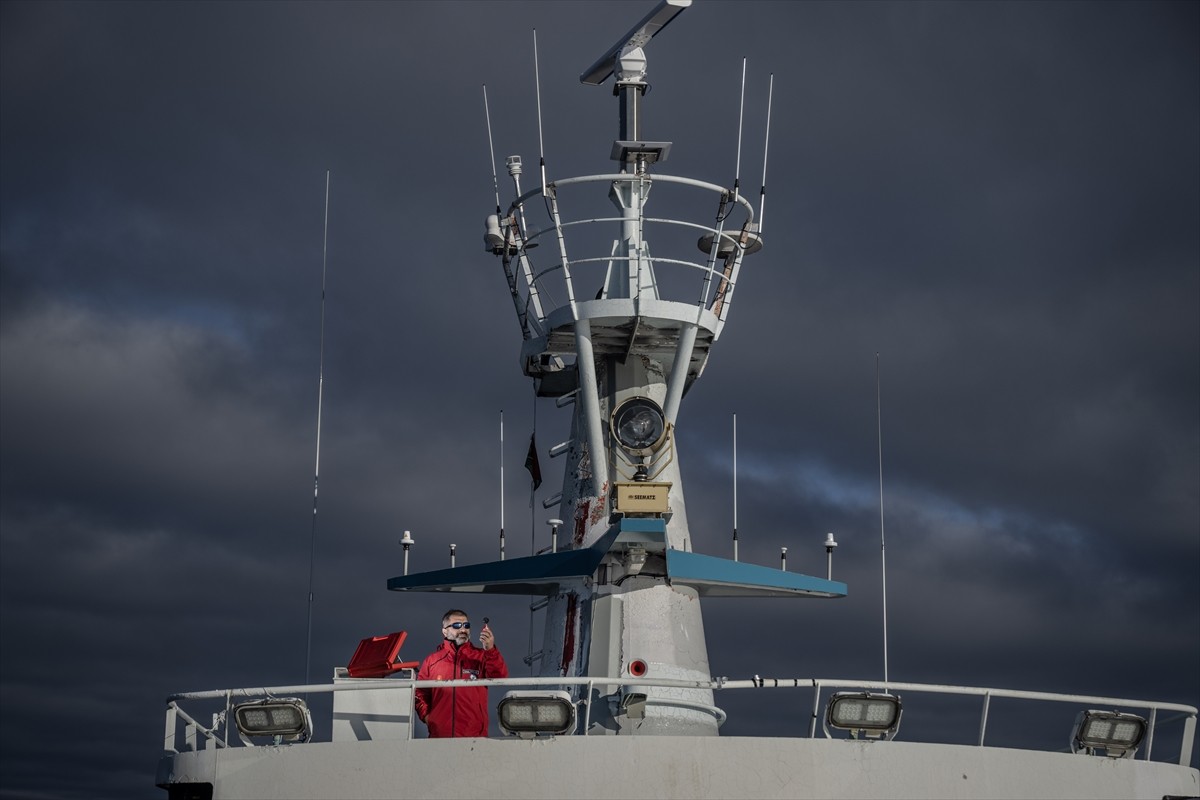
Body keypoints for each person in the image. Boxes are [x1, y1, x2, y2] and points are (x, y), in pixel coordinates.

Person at [414, 609, 508, 738]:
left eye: (466, 625)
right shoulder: (432, 661)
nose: (463, 630)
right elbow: (420, 693)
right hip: (440, 736)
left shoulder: (481, 656)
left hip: (474, 736)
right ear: (445, 631)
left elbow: (500, 677)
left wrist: (490, 650)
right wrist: (428, 717)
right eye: (457, 625)